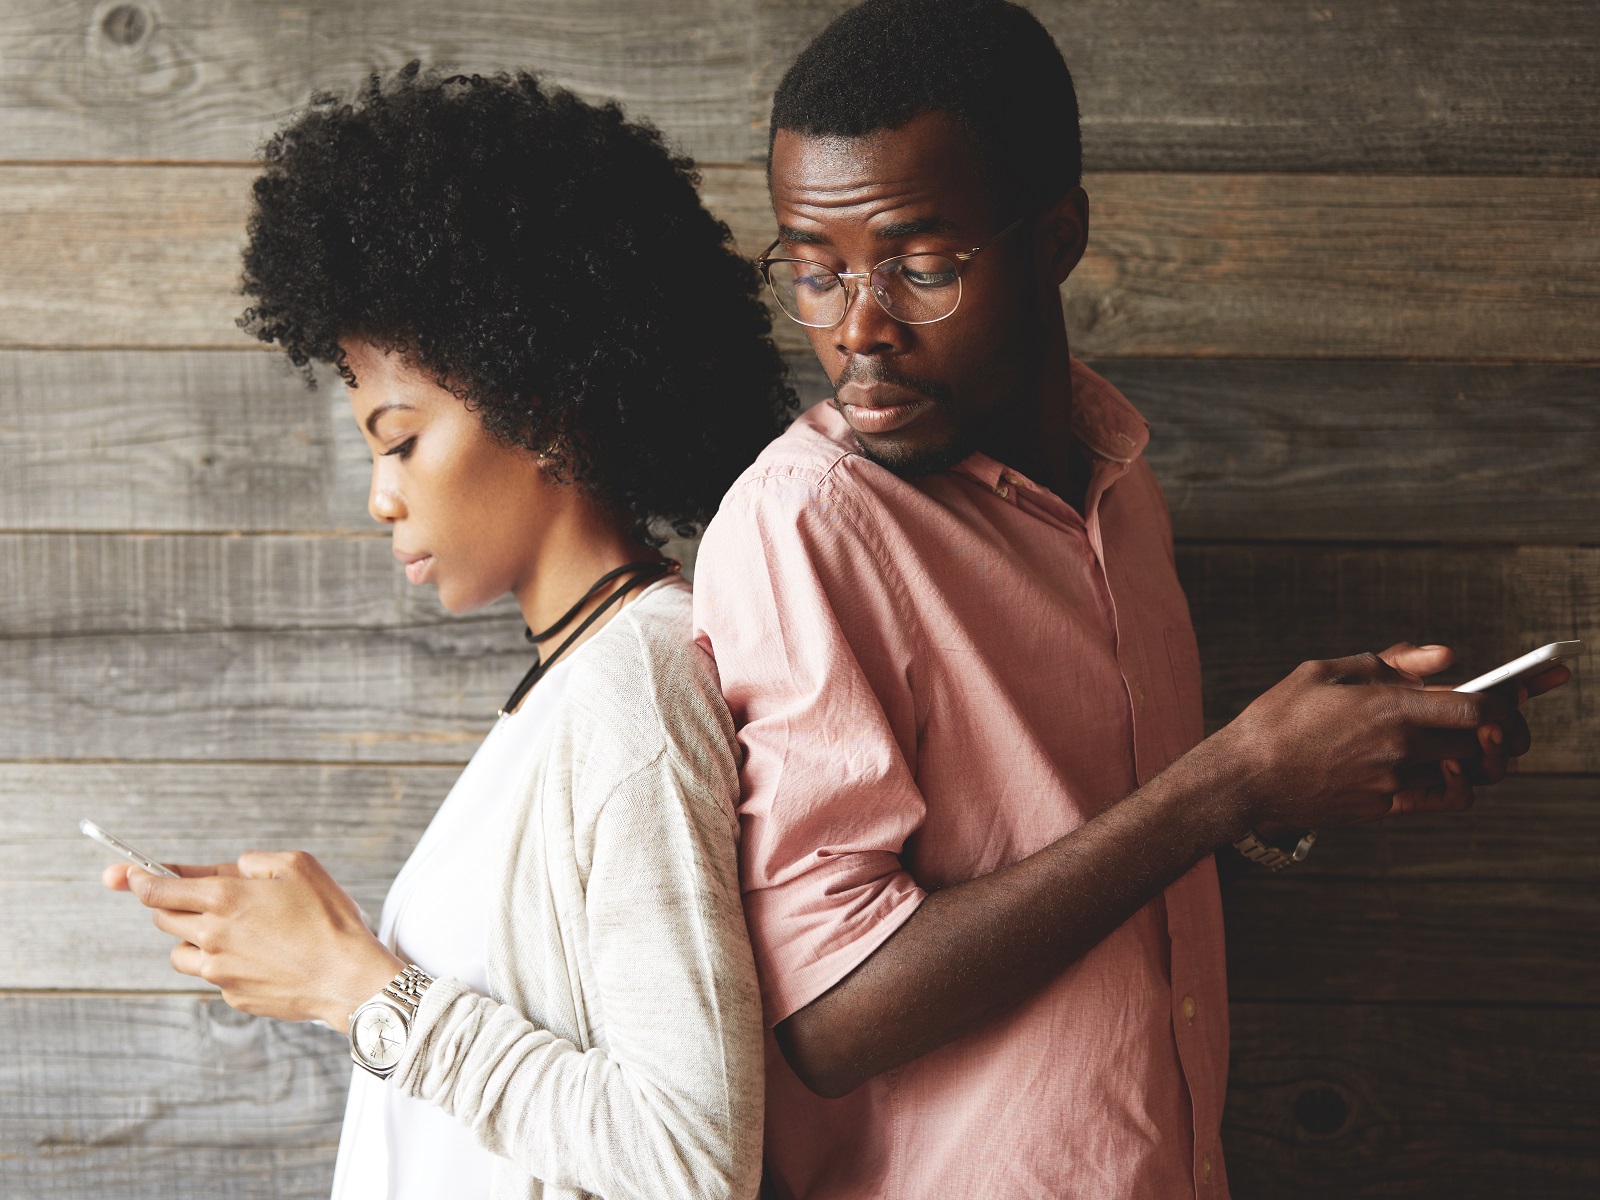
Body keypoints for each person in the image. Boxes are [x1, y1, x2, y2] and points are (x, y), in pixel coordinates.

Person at [689, 2, 1569, 1196]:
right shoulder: (807, 523)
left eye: (923, 265)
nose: (858, 327)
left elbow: (1096, 825)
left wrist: (1305, 777)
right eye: (814, 270)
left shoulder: (1117, 481)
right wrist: (1232, 779)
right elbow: (828, 1015)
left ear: (1057, 236)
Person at [104, 66, 792, 1200]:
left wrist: (352, 984)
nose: (380, 495)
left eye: (401, 437)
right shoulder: (569, 689)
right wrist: (312, 958)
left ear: (543, 403)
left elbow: (688, 1157)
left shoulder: (638, 684)